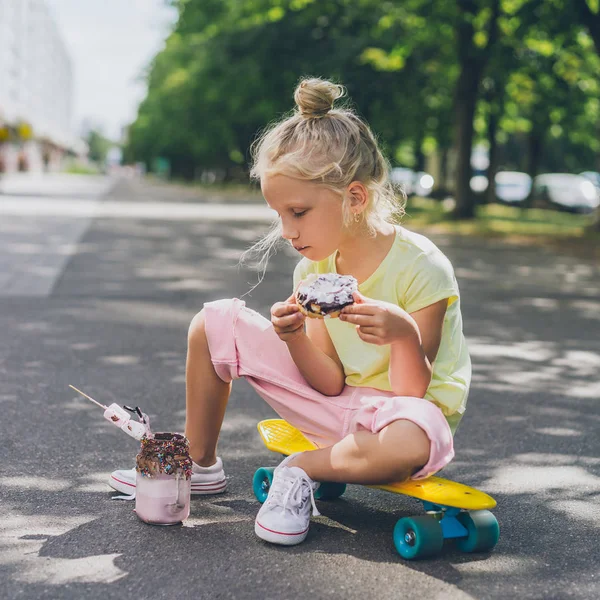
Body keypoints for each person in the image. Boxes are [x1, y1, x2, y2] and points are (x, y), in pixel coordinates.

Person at [110, 77, 471, 546]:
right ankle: (198, 463)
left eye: (297, 212)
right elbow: (330, 383)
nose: (285, 230)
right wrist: (295, 337)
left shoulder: (422, 267)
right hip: (338, 409)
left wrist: (402, 335)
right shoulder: (313, 269)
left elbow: (413, 393)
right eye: (278, 214)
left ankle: (298, 470)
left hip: (404, 421)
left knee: (405, 442)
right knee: (214, 322)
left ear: (355, 199)